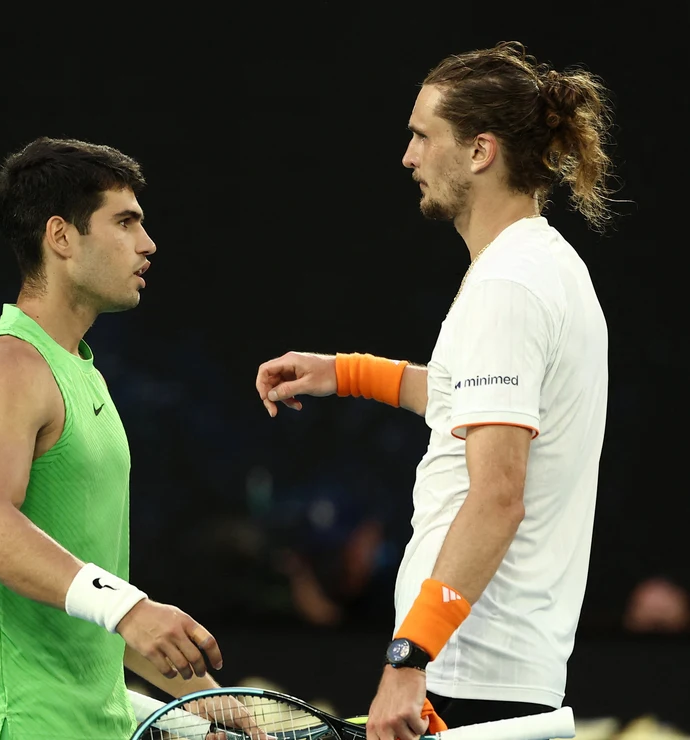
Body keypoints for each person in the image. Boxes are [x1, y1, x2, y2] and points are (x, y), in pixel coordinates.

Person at [254, 41, 615, 740]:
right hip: (492, 670)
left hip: (470, 674)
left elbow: (497, 497)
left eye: (423, 136)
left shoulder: (509, 286)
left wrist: (408, 656)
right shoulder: (538, 266)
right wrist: (347, 373)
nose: (408, 157)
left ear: (479, 151)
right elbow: (466, 404)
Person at [0, 137, 230, 739]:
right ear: (61, 237)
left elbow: (82, 607)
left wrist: (210, 704)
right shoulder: (3, 362)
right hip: (3, 725)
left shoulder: (81, 372)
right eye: (125, 222)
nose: (148, 244)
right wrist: (132, 609)